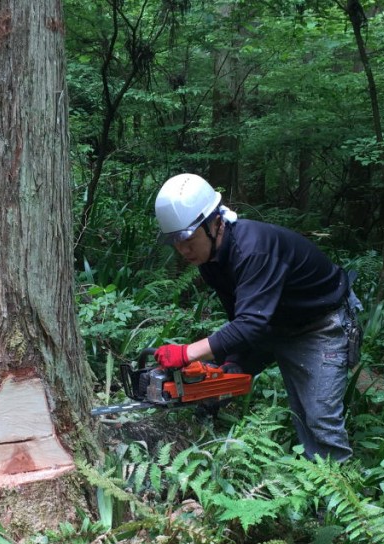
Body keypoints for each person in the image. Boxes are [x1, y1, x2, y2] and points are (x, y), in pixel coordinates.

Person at [152, 173, 361, 463]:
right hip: (276, 321)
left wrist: (186, 353)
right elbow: (242, 317)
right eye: (174, 241)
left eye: (188, 238)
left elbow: (251, 323)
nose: (182, 249)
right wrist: (233, 361)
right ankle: (314, 481)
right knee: (296, 414)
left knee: (319, 418)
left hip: (321, 324)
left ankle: (342, 497)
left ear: (215, 223)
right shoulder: (209, 259)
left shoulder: (254, 249)